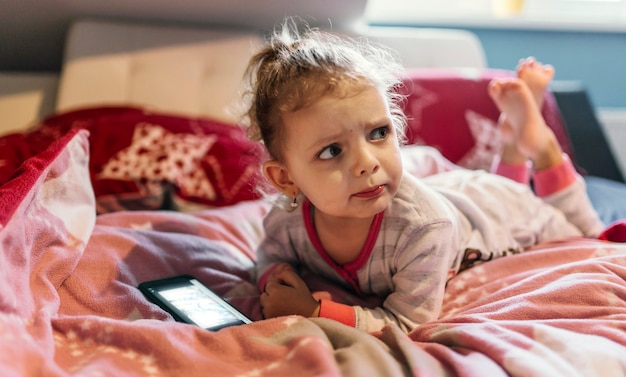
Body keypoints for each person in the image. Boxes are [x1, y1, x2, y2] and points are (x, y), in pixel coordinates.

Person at [242, 21, 604, 333]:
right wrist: (275, 281)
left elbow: (406, 321)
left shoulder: (425, 229)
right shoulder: (287, 220)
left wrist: (315, 311)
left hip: (497, 214)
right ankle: (513, 146)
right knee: (502, 189)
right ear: (286, 180)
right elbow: (268, 256)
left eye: (379, 133)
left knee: (590, 235)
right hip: (459, 199)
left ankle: (539, 147)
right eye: (332, 151)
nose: (367, 163)